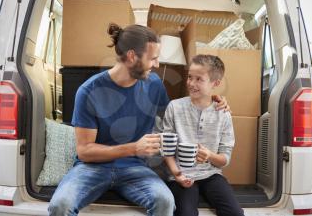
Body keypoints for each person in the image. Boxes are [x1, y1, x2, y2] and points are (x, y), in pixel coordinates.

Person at [48, 23, 228, 216]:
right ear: (132, 56)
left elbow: (178, 115)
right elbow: (84, 151)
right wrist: (134, 148)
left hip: (135, 168)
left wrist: (211, 100)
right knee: (60, 205)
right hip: (92, 169)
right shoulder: (89, 91)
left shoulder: (154, 84)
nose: (157, 65)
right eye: (153, 59)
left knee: (165, 202)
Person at [163, 54, 244, 216]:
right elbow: (166, 149)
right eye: (189, 77)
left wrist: (209, 156)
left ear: (215, 83)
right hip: (181, 175)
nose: (191, 83)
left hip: (211, 174)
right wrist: (177, 174)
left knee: (235, 213)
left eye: (199, 79)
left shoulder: (223, 114)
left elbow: (224, 159)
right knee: (186, 213)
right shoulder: (175, 107)